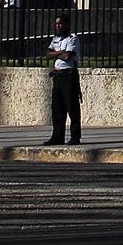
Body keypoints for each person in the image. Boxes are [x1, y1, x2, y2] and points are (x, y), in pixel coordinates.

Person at [47, 11, 82, 145]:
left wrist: (56, 54)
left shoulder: (73, 38)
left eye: (60, 24)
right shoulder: (56, 39)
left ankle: (75, 136)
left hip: (69, 75)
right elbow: (48, 54)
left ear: (67, 25)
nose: (58, 26)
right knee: (57, 108)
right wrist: (60, 53)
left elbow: (68, 57)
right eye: (56, 24)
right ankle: (57, 136)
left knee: (72, 107)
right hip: (57, 75)